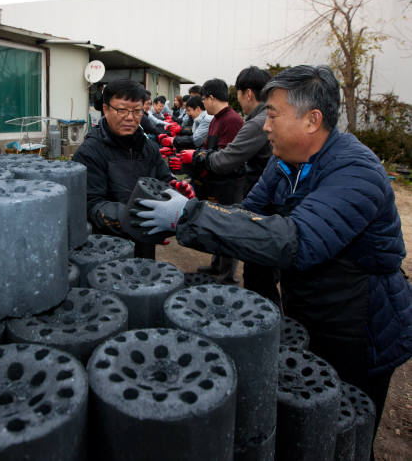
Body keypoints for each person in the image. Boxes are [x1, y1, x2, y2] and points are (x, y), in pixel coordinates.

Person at [135, 65, 412, 451]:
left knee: (342, 429)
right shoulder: (285, 164)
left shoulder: (355, 170)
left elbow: (292, 241)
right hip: (309, 306)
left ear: (312, 120)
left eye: (274, 116)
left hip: (360, 321)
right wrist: (194, 212)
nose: (265, 127)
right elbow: (251, 216)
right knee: (304, 420)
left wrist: (190, 218)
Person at [170, 67, 278, 299]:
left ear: (248, 93)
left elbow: (227, 158)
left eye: (237, 93)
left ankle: (229, 275)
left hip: (236, 184)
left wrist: (197, 157)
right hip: (229, 182)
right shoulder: (226, 120)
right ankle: (218, 266)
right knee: (219, 224)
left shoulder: (242, 120)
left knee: (233, 229)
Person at [72, 78, 192, 259]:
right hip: (106, 247)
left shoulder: (148, 147)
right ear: (106, 109)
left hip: (145, 240)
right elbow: (92, 204)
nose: (130, 117)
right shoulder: (89, 152)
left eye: (137, 111)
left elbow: (163, 179)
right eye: (121, 110)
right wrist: (136, 218)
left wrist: (174, 188)